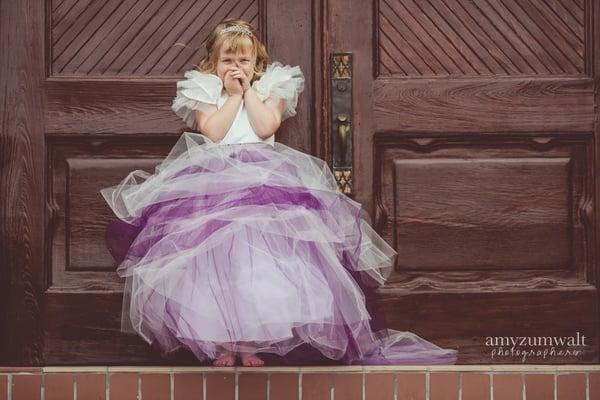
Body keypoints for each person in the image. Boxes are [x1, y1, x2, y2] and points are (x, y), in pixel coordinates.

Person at [99, 18, 458, 367]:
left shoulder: (273, 87)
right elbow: (213, 132)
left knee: (260, 267)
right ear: (214, 62)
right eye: (228, 60)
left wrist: (249, 91)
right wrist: (232, 96)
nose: (236, 66)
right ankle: (223, 344)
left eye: (244, 60)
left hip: (263, 180)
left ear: (257, 63)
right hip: (213, 182)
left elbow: (265, 125)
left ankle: (250, 343)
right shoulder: (204, 90)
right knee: (216, 265)